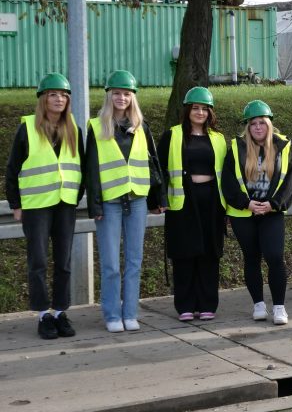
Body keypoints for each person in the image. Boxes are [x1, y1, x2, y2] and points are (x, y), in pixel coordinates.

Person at [85, 70, 166, 333]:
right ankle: (111, 314)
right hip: (109, 202)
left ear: (133, 97)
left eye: (127, 94)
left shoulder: (143, 128)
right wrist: (94, 204)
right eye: (117, 93)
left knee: (134, 260)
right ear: (109, 96)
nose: (122, 98)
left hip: (138, 201)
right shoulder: (96, 127)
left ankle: (130, 312)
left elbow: (154, 165)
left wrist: (159, 199)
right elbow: (92, 169)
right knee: (110, 263)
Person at [5, 73, 84, 340]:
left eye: (63, 95)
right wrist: (16, 204)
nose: (59, 99)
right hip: (36, 206)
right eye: (53, 94)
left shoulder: (74, 129)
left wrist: (75, 196)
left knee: (63, 261)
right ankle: (43, 315)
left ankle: (60, 311)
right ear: (43, 99)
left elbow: (80, 168)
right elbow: (12, 169)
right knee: (37, 261)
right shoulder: (27, 128)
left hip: (65, 205)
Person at [223, 100, 292, 324]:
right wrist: (246, 203)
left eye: (261, 123)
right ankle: (258, 305)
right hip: (243, 213)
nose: (257, 127)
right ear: (248, 126)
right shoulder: (237, 148)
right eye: (253, 123)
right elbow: (227, 182)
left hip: (271, 212)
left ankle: (279, 308)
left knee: (274, 257)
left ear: (269, 124)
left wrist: (273, 204)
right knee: (251, 258)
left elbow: (290, 182)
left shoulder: (282, 147)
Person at [158, 87, 226, 322]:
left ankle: (207, 304)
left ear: (210, 112)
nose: (200, 112)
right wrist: (160, 199)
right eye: (195, 108)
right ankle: (185, 305)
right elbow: (160, 171)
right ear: (187, 110)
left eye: (204, 108)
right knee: (185, 253)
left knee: (209, 253)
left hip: (212, 203)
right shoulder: (173, 135)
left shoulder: (218, 139)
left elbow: (226, 173)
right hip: (183, 202)